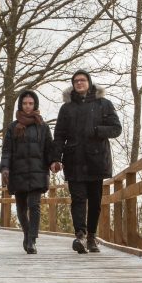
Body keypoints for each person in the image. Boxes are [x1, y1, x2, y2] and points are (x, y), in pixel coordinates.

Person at [51, 69, 122, 254]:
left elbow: (116, 129)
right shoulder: (66, 108)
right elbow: (59, 135)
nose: (79, 83)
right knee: (78, 199)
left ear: (89, 83)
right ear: (73, 85)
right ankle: (80, 236)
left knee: (95, 201)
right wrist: (55, 158)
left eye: (82, 80)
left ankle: (92, 237)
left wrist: (97, 130)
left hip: (96, 158)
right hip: (74, 159)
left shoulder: (103, 104)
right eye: (76, 81)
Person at [0, 90, 55, 254]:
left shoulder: (43, 126)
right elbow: (7, 150)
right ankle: (26, 234)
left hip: (38, 171)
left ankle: (32, 240)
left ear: (35, 105)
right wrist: (5, 168)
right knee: (21, 207)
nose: (28, 107)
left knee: (34, 205)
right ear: (20, 105)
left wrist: (53, 162)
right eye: (25, 104)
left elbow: (49, 149)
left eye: (31, 103)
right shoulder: (13, 127)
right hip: (18, 172)